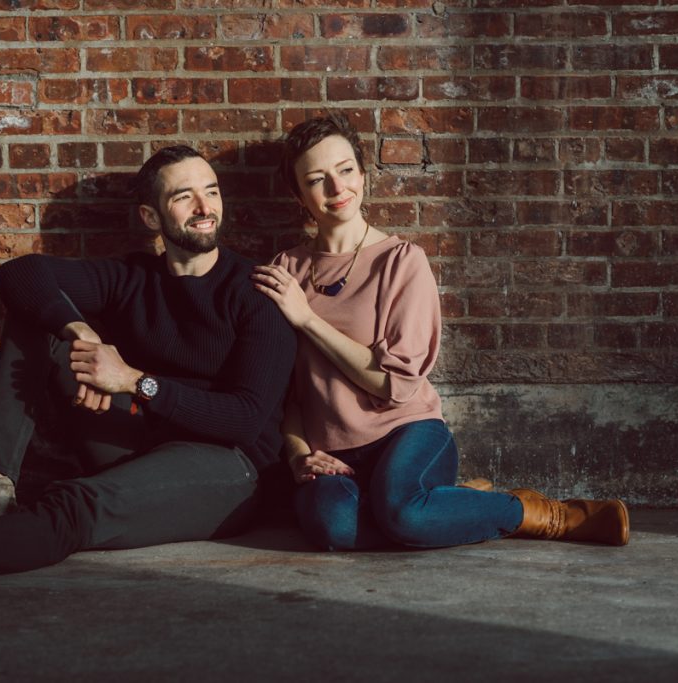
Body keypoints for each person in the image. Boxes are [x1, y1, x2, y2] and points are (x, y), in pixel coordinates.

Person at [0, 145, 296, 596]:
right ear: (150, 217)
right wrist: (80, 332)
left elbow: (245, 418)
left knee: (76, 504)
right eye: (183, 196)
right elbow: (19, 273)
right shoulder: (134, 277)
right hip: (139, 435)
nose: (203, 206)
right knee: (39, 318)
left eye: (211, 191)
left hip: (229, 468)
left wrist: (131, 380)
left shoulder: (254, 293)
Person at [252, 114, 629, 551]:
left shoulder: (401, 262)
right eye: (317, 179)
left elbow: (393, 384)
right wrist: (299, 454)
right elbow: (285, 392)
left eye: (346, 170)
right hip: (331, 452)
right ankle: (451, 507)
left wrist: (308, 320)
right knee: (331, 527)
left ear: (363, 174)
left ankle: (540, 514)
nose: (338, 189)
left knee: (405, 513)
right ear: (298, 194)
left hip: (407, 432)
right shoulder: (285, 271)